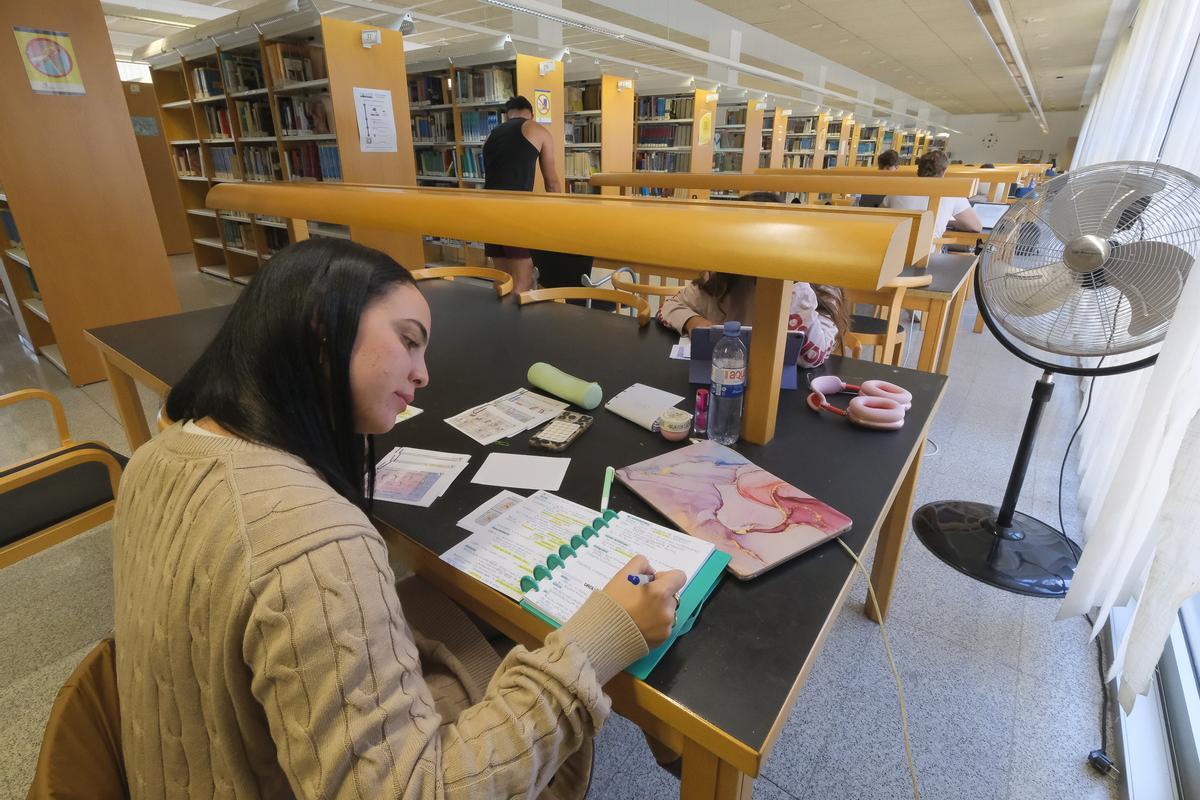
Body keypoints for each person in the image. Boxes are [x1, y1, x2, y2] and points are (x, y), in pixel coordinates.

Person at [112, 238, 684, 800]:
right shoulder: (314, 541)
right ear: (321, 327)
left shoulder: (156, 456)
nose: (423, 374)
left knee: (461, 606)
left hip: (202, 759)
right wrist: (598, 644)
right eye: (408, 342)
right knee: (548, 635)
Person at [657, 192, 847, 367]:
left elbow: (810, 359)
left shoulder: (820, 289)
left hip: (789, 384)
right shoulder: (720, 280)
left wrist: (792, 282)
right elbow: (669, 307)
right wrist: (693, 321)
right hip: (725, 377)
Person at [482, 95, 564, 293]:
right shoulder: (538, 130)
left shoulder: (491, 136)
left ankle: (500, 313)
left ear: (507, 115)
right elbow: (552, 183)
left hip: (489, 210)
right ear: (532, 115)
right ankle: (516, 314)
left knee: (502, 280)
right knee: (523, 280)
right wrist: (558, 217)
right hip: (516, 212)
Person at [882, 149, 982, 242]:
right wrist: (947, 222)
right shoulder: (952, 191)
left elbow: (880, 215)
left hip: (894, 249)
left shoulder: (898, 188)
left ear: (918, 168)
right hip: (929, 252)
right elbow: (976, 226)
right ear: (944, 171)